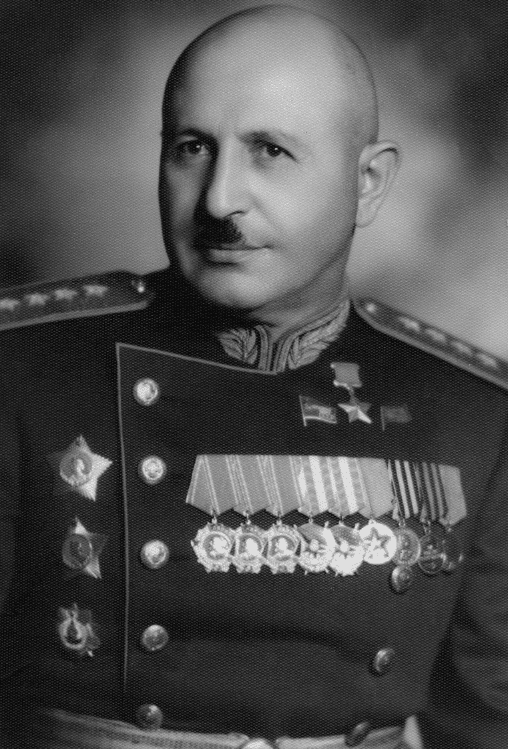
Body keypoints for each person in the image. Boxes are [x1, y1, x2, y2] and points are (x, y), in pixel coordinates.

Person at [0, 5, 507, 748]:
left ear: (368, 182)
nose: (217, 199)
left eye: (269, 151)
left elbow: (489, 722)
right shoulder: (25, 364)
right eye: (192, 148)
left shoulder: (472, 409)